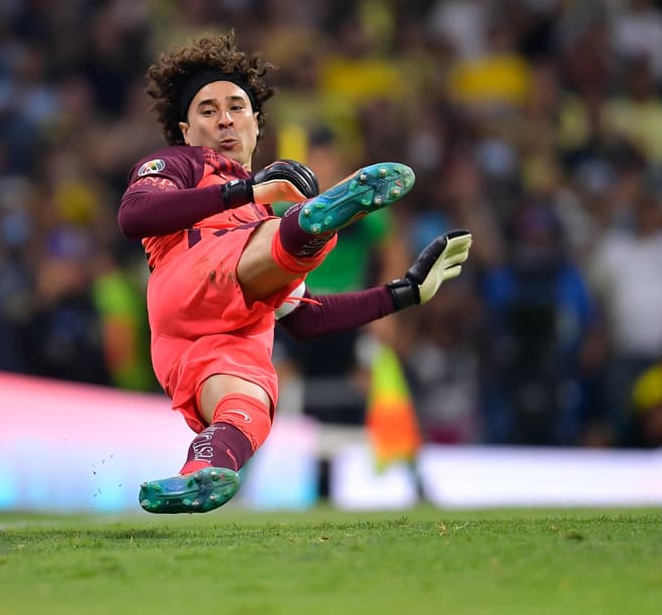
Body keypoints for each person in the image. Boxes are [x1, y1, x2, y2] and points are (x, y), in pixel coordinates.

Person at [117, 32, 472, 513]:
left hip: (223, 334)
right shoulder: (184, 162)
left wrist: (403, 292)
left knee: (249, 408)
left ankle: (200, 474)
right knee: (288, 237)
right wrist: (243, 195)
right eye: (207, 110)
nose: (224, 118)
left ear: (258, 124)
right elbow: (134, 215)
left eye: (237, 107)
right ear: (184, 129)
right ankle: (311, 225)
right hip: (191, 279)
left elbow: (304, 317)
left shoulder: (260, 204)